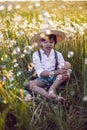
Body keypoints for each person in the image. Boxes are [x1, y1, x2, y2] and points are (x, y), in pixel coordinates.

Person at [24, 28, 71, 102]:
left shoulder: (58, 54)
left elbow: (63, 67)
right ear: (40, 43)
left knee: (66, 73)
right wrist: (57, 71)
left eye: (51, 42)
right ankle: (53, 98)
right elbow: (42, 74)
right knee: (30, 85)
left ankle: (52, 89)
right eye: (45, 42)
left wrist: (67, 65)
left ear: (54, 43)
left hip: (56, 79)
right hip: (43, 79)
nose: (48, 44)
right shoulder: (36, 55)